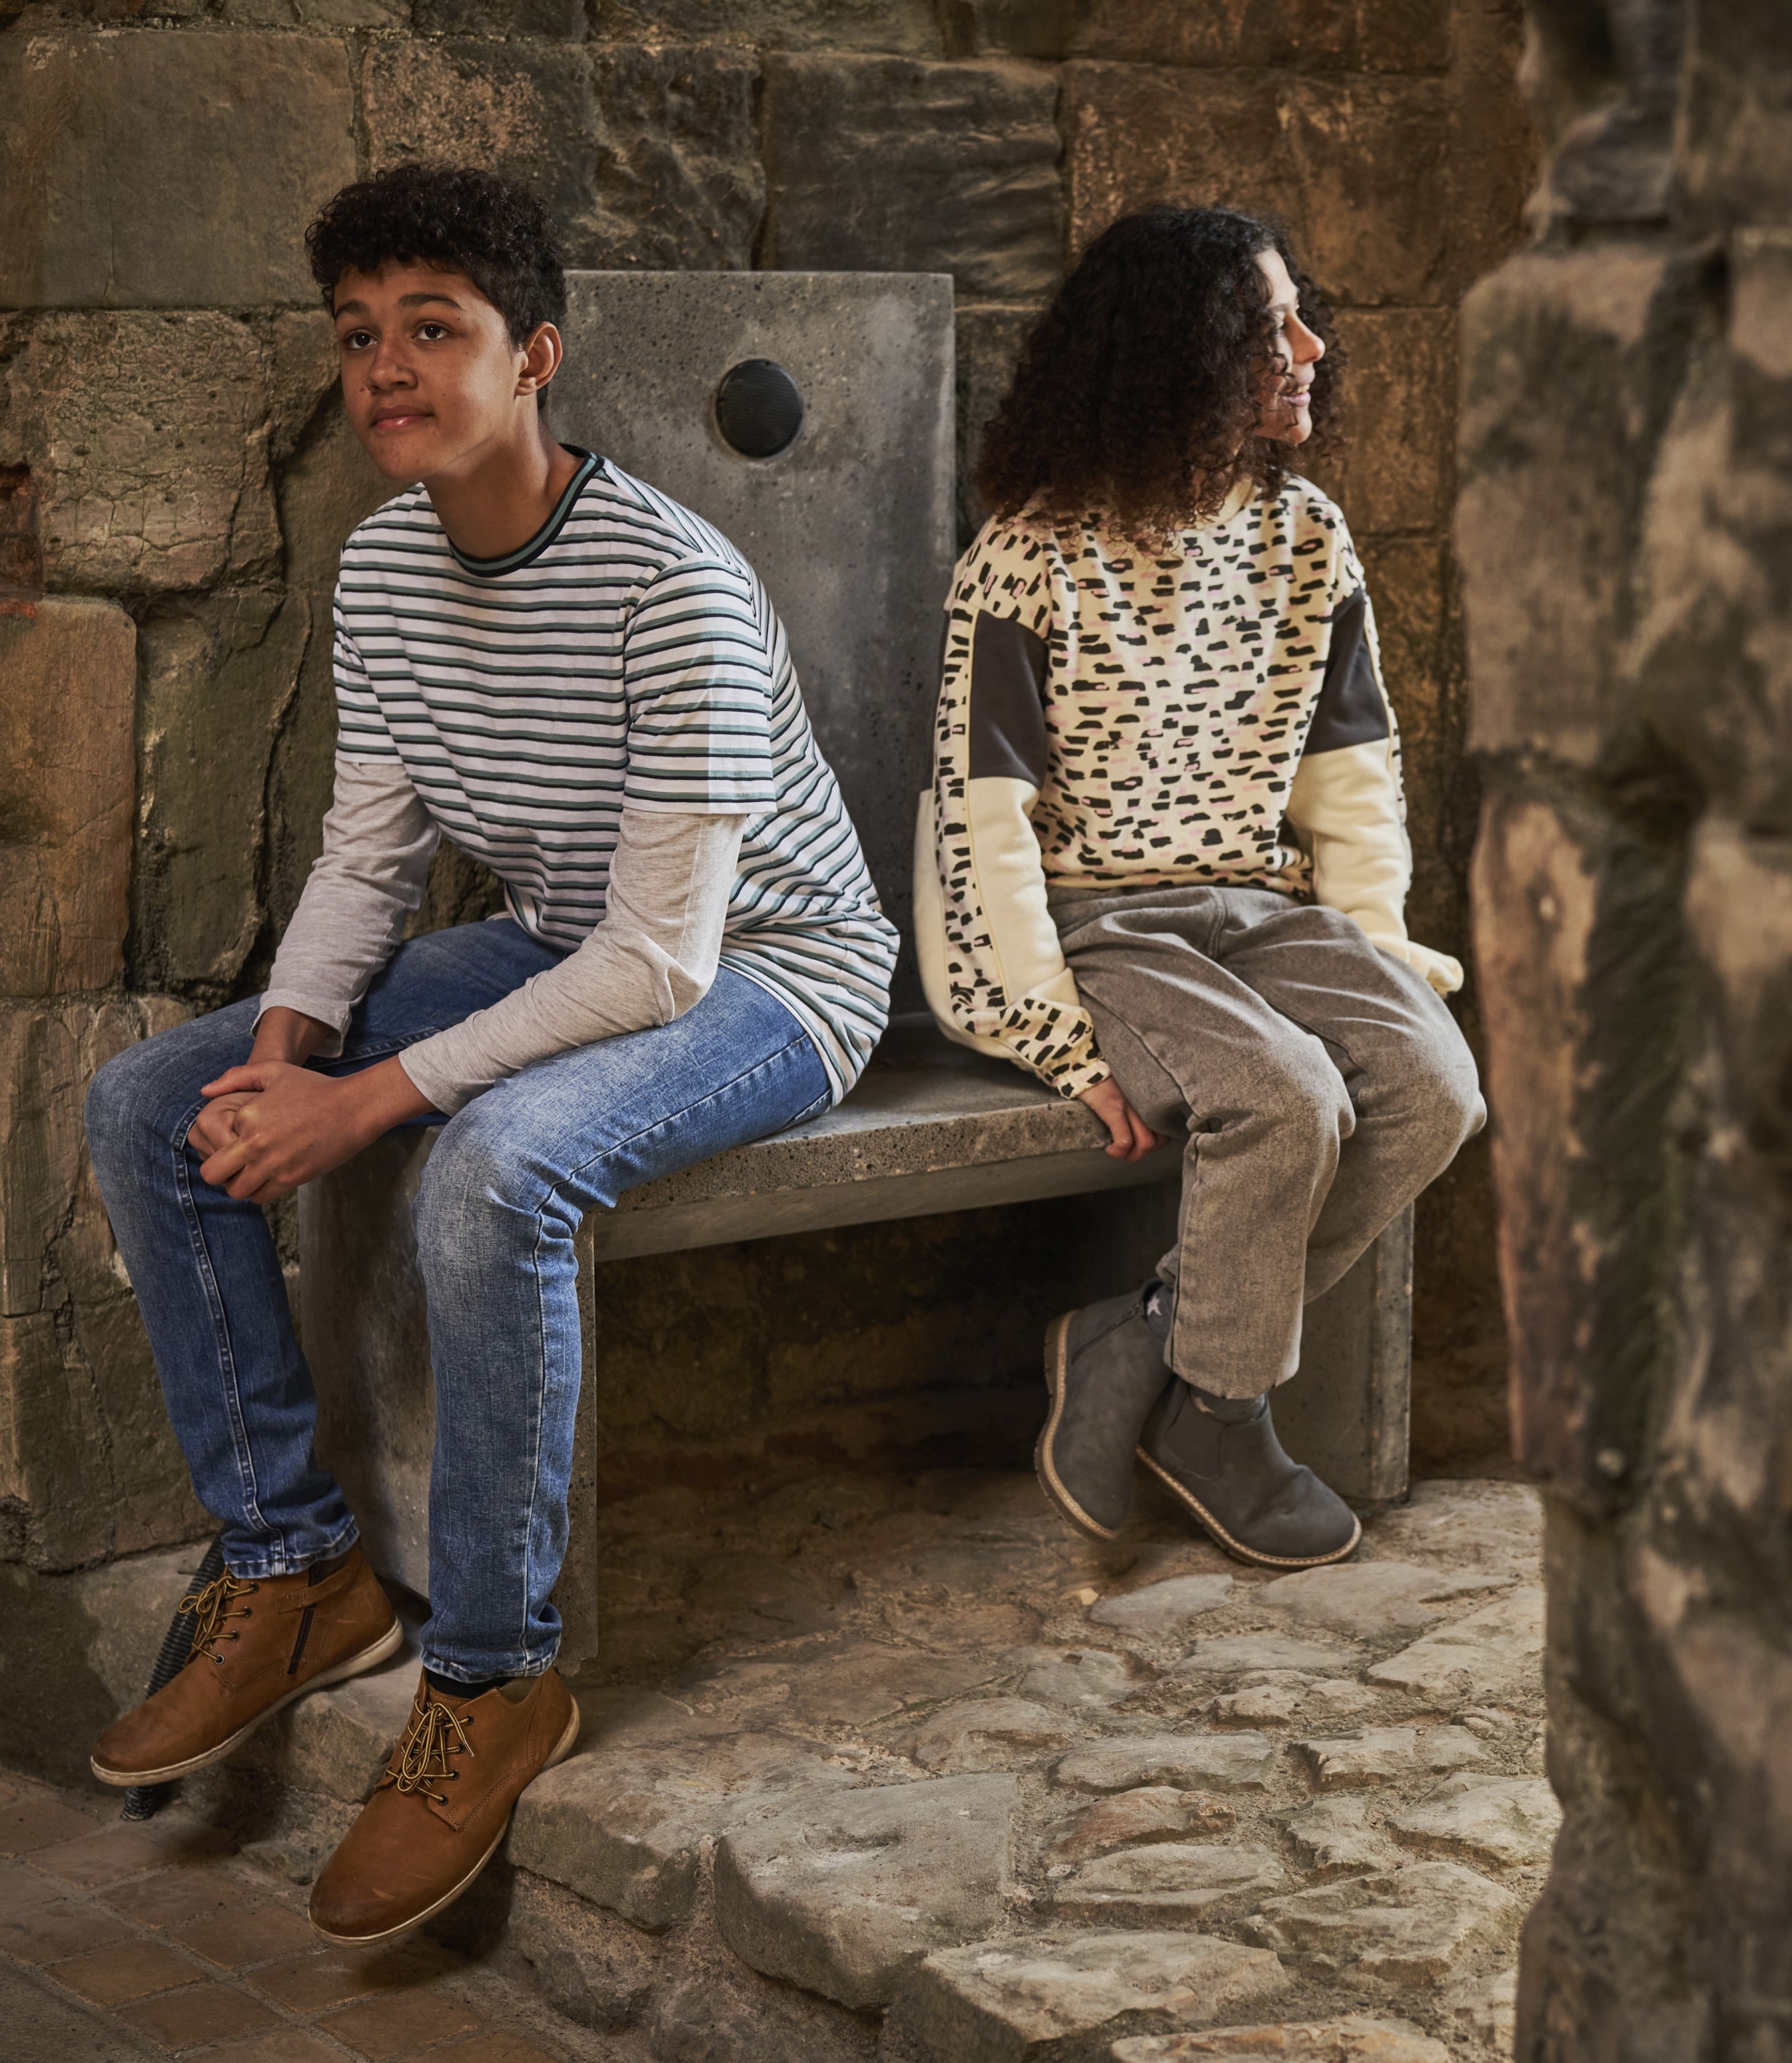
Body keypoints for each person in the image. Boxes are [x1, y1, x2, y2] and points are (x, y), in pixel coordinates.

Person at [82, 163, 896, 1944]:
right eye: (359, 333)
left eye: (431, 328)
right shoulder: (383, 561)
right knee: (154, 1099)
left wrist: (361, 1098)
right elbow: (369, 856)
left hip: (769, 974)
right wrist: (286, 1047)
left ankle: (493, 1674)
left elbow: (665, 956)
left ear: (534, 356)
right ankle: (295, 1560)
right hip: (556, 940)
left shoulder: (671, 583)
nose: (385, 366)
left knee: (494, 1165)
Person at [917, 204, 1483, 1571]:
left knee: (1434, 1088)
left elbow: (1352, 772)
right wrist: (1045, 1034)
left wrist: (1372, 950)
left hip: (1266, 911)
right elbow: (976, 822)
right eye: (1266, 327)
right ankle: (1220, 1412)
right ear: (1174, 358)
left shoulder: (1309, 539)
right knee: (1284, 1101)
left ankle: (1149, 1339)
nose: (1310, 347)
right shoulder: (1029, 560)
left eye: (1302, 316)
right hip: (1099, 925)